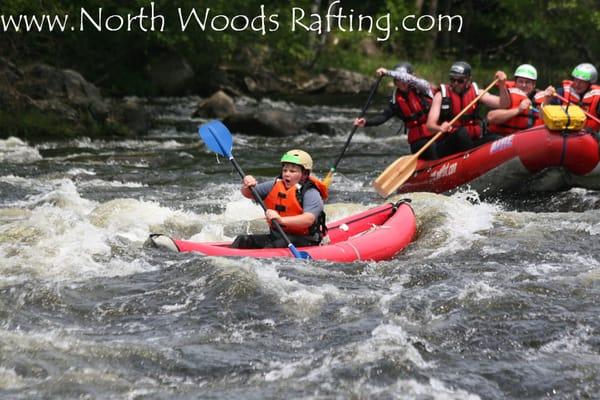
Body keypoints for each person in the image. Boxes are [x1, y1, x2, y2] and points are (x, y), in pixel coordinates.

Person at [230, 149, 328, 249]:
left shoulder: (311, 193)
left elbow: (308, 219)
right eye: (285, 170)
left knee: (274, 246)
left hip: (305, 239)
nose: (286, 174)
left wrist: (281, 220)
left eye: (292, 171)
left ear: (305, 174)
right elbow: (249, 194)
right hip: (277, 235)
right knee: (243, 240)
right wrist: (247, 185)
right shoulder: (274, 185)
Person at [353, 62, 438, 160]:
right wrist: (366, 122)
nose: (401, 83)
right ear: (395, 81)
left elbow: (409, 78)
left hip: (437, 133)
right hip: (418, 142)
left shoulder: (423, 88)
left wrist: (387, 72)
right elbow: (383, 117)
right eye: (398, 80)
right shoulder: (395, 101)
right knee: (429, 147)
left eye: (403, 79)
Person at [426, 61, 509, 158]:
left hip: (471, 142)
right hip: (448, 143)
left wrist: (502, 85)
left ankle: (478, 157)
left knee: (497, 139)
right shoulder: (440, 96)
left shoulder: (478, 93)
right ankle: (473, 159)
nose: (455, 83)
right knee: (461, 133)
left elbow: (503, 104)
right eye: (452, 80)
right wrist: (440, 128)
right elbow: (430, 125)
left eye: (460, 81)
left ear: (468, 80)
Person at [487, 64, 544, 136]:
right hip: (501, 138)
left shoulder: (540, 99)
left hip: (526, 140)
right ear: (515, 83)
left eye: (527, 82)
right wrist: (518, 110)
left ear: (534, 84)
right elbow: (490, 117)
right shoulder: (507, 95)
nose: (523, 85)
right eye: (521, 81)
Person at [543, 63, 600, 133]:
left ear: (590, 83)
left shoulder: (598, 98)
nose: (577, 84)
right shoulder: (561, 93)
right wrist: (546, 100)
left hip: (590, 138)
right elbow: (542, 117)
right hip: (566, 137)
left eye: (582, 82)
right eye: (576, 80)